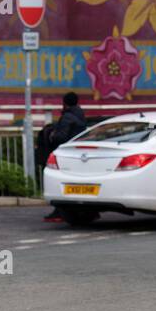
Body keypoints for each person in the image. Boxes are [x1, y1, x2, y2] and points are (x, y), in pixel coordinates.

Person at [38, 92, 88, 223]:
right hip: (77, 153)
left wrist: (52, 135)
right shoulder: (80, 115)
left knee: (60, 182)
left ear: (64, 103)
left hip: (65, 154)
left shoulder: (67, 117)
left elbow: (61, 137)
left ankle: (60, 212)